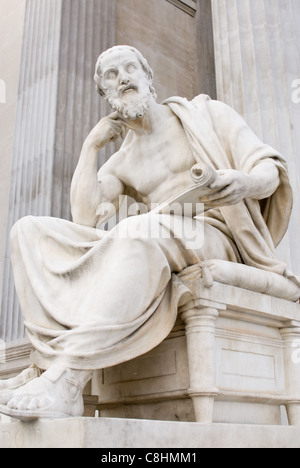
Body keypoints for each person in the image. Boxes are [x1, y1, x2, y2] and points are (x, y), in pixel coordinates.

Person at [0, 45, 296, 420]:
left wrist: (244, 183)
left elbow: (269, 168)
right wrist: (91, 147)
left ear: (148, 77)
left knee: (136, 228)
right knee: (27, 232)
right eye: (111, 75)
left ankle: (68, 378)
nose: (122, 78)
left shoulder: (204, 114)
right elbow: (85, 218)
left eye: (129, 69)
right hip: (160, 233)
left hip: (216, 233)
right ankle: (45, 364)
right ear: (106, 95)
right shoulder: (121, 161)